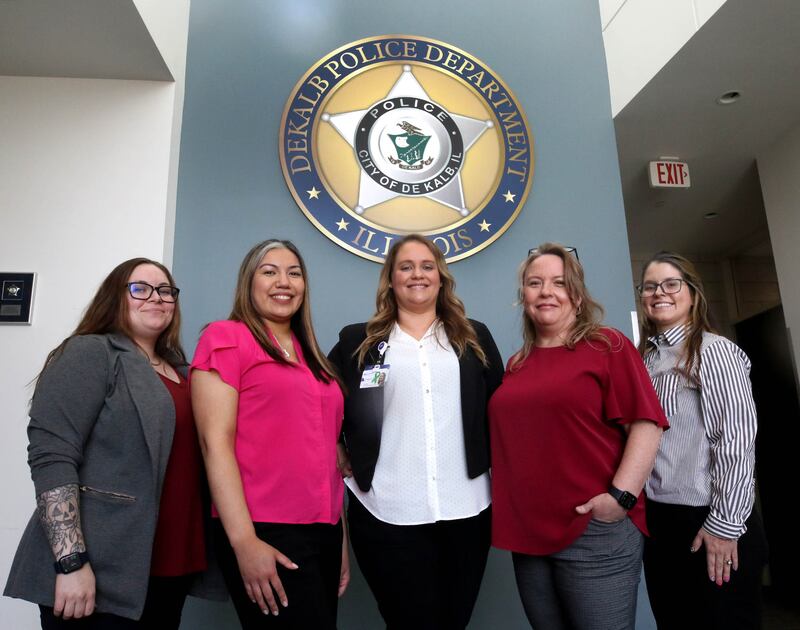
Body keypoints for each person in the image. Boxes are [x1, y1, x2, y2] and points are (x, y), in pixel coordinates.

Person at [4, 257, 221, 628]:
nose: (156, 298)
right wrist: (71, 562)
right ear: (115, 297)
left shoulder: (184, 372)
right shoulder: (91, 352)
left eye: (166, 291)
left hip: (170, 565)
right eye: (141, 289)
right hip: (99, 568)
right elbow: (52, 456)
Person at [489, 242, 668, 630]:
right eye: (535, 283)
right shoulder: (517, 364)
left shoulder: (607, 345)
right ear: (524, 295)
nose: (546, 291)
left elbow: (646, 424)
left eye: (558, 282)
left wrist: (620, 498)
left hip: (593, 531)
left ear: (577, 293)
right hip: (528, 534)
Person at [329, 234, 503, 630]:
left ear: (441, 277)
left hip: (467, 509)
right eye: (405, 267)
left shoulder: (474, 337)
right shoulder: (359, 341)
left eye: (427, 266)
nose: (417, 275)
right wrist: (336, 446)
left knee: (452, 621)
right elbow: (319, 401)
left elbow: (500, 407)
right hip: (386, 511)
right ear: (390, 279)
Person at [191, 239, 348, 629]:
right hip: (264, 530)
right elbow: (215, 445)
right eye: (269, 271)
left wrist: (341, 541)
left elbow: (328, 456)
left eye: (294, 273)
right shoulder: (226, 338)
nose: (284, 281)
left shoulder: (312, 356)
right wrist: (244, 543)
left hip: (324, 530)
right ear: (249, 281)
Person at [637, 251, 768, 629]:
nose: (659, 292)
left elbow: (736, 442)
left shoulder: (714, 351)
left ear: (692, 294)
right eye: (650, 286)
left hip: (710, 519)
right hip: (662, 524)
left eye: (671, 284)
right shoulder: (646, 359)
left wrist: (725, 526)